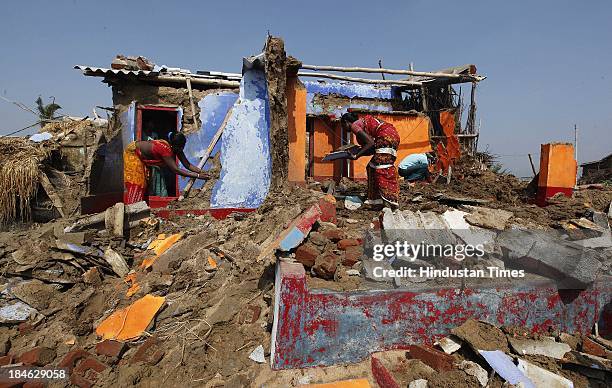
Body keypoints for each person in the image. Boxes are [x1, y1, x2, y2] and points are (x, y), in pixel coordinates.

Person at [123, 132, 208, 204]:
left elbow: (187, 164)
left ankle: (142, 207)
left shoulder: (177, 148)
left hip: (141, 157)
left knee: (145, 183)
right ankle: (132, 208)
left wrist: (201, 172)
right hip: (133, 153)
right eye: (180, 147)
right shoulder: (165, 149)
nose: (182, 149)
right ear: (173, 145)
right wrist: (197, 176)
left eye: (183, 146)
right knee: (137, 183)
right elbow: (175, 169)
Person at [340, 112, 400, 209]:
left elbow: (371, 143)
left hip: (385, 137)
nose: (343, 128)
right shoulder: (363, 123)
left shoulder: (354, 125)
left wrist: (356, 155)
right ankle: (376, 200)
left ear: (347, 122)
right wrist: (358, 152)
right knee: (372, 166)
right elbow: (372, 149)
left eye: (342, 125)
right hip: (393, 137)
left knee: (381, 167)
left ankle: (388, 200)